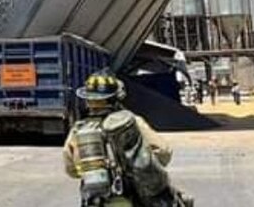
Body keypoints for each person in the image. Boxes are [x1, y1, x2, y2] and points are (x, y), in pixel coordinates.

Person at [63, 70, 193, 206]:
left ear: (88, 99)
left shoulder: (78, 130)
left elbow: (70, 169)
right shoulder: (131, 122)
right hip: (133, 197)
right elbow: (164, 151)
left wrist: (94, 172)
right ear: (115, 97)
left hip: (96, 200)